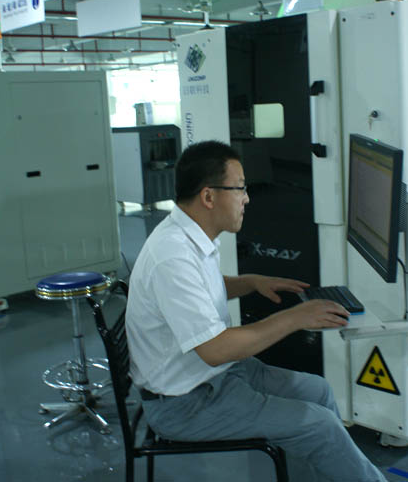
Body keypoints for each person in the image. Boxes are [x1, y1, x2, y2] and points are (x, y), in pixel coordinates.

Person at [126, 140, 387, 481]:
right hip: (185, 403)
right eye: (239, 188)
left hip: (215, 378)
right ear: (209, 197)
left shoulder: (188, 234)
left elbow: (198, 290)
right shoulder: (171, 256)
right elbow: (215, 350)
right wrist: (294, 318)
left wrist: (250, 282)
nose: (247, 198)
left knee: (319, 391)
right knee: (320, 425)